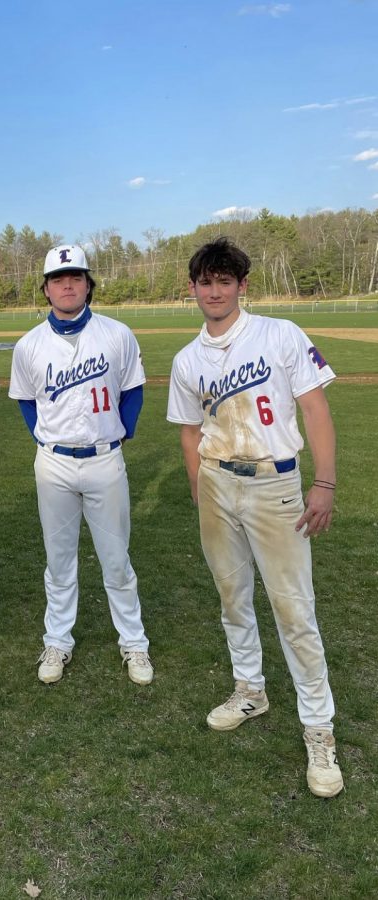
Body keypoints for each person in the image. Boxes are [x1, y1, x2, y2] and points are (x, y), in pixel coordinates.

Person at [166, 236, 343, 798]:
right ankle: (251, 689)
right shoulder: (188, 358)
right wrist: (199, 485)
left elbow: (314, 407)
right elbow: (190, 432)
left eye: (225, 280)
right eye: (205, 281)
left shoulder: (279, 334)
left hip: (276, 482)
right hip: (219, 482)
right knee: (232, 596)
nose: (214, 291)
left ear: (242, 285)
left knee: (295, 612)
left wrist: (324, 481)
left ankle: (319, 731)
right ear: (192, 288)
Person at [9, 244, 153, 686]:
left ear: (88, 284)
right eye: (58, 278)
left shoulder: (116, 333)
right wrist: (45, 439)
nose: (67, 284)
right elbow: (26, 404)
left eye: (75, 277)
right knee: (59, 562)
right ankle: (58, 640)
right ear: (47, 289)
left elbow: (133, 391)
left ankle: (134, 644)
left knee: (116, 560)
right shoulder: (29, 344)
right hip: (53, 463)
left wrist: (119, 433)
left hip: (104, 460)